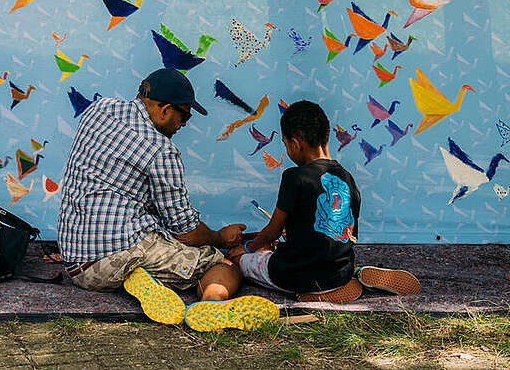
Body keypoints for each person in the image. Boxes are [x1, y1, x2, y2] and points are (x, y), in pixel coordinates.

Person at [57, 68, 278, 331]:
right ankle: (211, 305)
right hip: (114, 255)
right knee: (222, 264)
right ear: (164, 110)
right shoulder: (161, 150)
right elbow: (186, 231)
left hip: (75, 258)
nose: (184, 124)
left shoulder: (100, 109)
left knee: (152, 234)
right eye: (184, 115)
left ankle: (140, 280)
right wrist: (220, 238)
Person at [228, 100, 420, 303]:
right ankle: (353, 274)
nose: (287, 150)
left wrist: (247, 248)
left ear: (295, 143)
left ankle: (314, 290)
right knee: (322, 255)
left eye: (285, 144)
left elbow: (272, 232)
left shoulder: (294, 176)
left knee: (241, 262)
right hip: (339, 272)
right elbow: (340, 232)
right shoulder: (347, 178)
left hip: (299, 276)